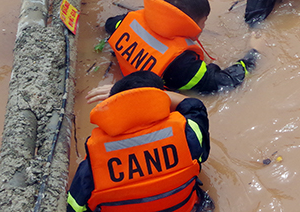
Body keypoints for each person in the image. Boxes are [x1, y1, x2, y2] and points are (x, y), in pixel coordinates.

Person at [67, 71, 214, 212]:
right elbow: (194, 105)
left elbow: (74, 207)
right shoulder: (188, 135)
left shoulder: (94, 161)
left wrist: (121, 96)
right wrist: (151, 94)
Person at [88, 0, 259, 102]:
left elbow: (109, 24)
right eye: (204, 22)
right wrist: (254, 53)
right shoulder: (182, 64)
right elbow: (223, 83)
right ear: (192, 25)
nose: (204, 27)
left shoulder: (129, 20)